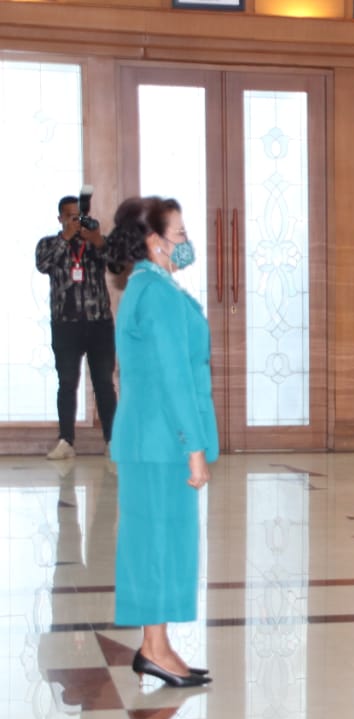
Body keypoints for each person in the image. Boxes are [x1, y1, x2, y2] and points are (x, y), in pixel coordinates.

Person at [103, 196, 215, 688]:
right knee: (157, 545)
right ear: (155, 241)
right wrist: (194, 447)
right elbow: (174, 379)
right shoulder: (157, 295)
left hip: (150, 440)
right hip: (162, 443)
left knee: (158, 542)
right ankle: (154, 649)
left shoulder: (146, 287)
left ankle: (157, 645)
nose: (187, 241)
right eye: (180, 233)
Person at [35, 195, 118, 461]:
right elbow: (43, 264)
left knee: (104, 383)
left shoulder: (95, 243)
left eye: (78, 216)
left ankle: (113, 441)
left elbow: (117, 265)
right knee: (67, 383)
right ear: (60, 218)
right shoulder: (49, 244)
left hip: (99, 324)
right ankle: (65, 441)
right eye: (70, 216)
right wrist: (66, 237)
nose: (75, 220)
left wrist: (98, 240)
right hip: (65, 325)